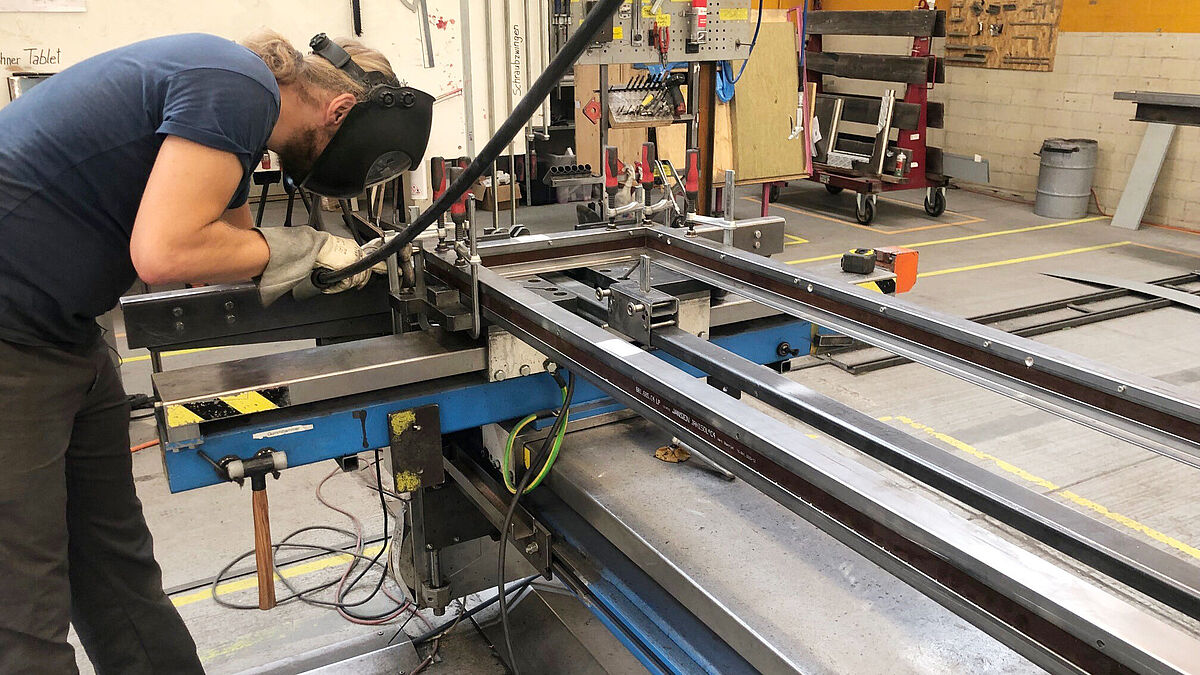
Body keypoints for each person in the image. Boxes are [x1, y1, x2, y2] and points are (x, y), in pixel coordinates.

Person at [0, 30, 410, 673]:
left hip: (62, 329)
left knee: (112, 566)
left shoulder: (233, 107)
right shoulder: (235, 85)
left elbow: (222, 253)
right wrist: (303, 246)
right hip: (10, 332)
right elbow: (165, 255)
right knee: (20, 608)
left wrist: (327, 263)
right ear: (337, 113)